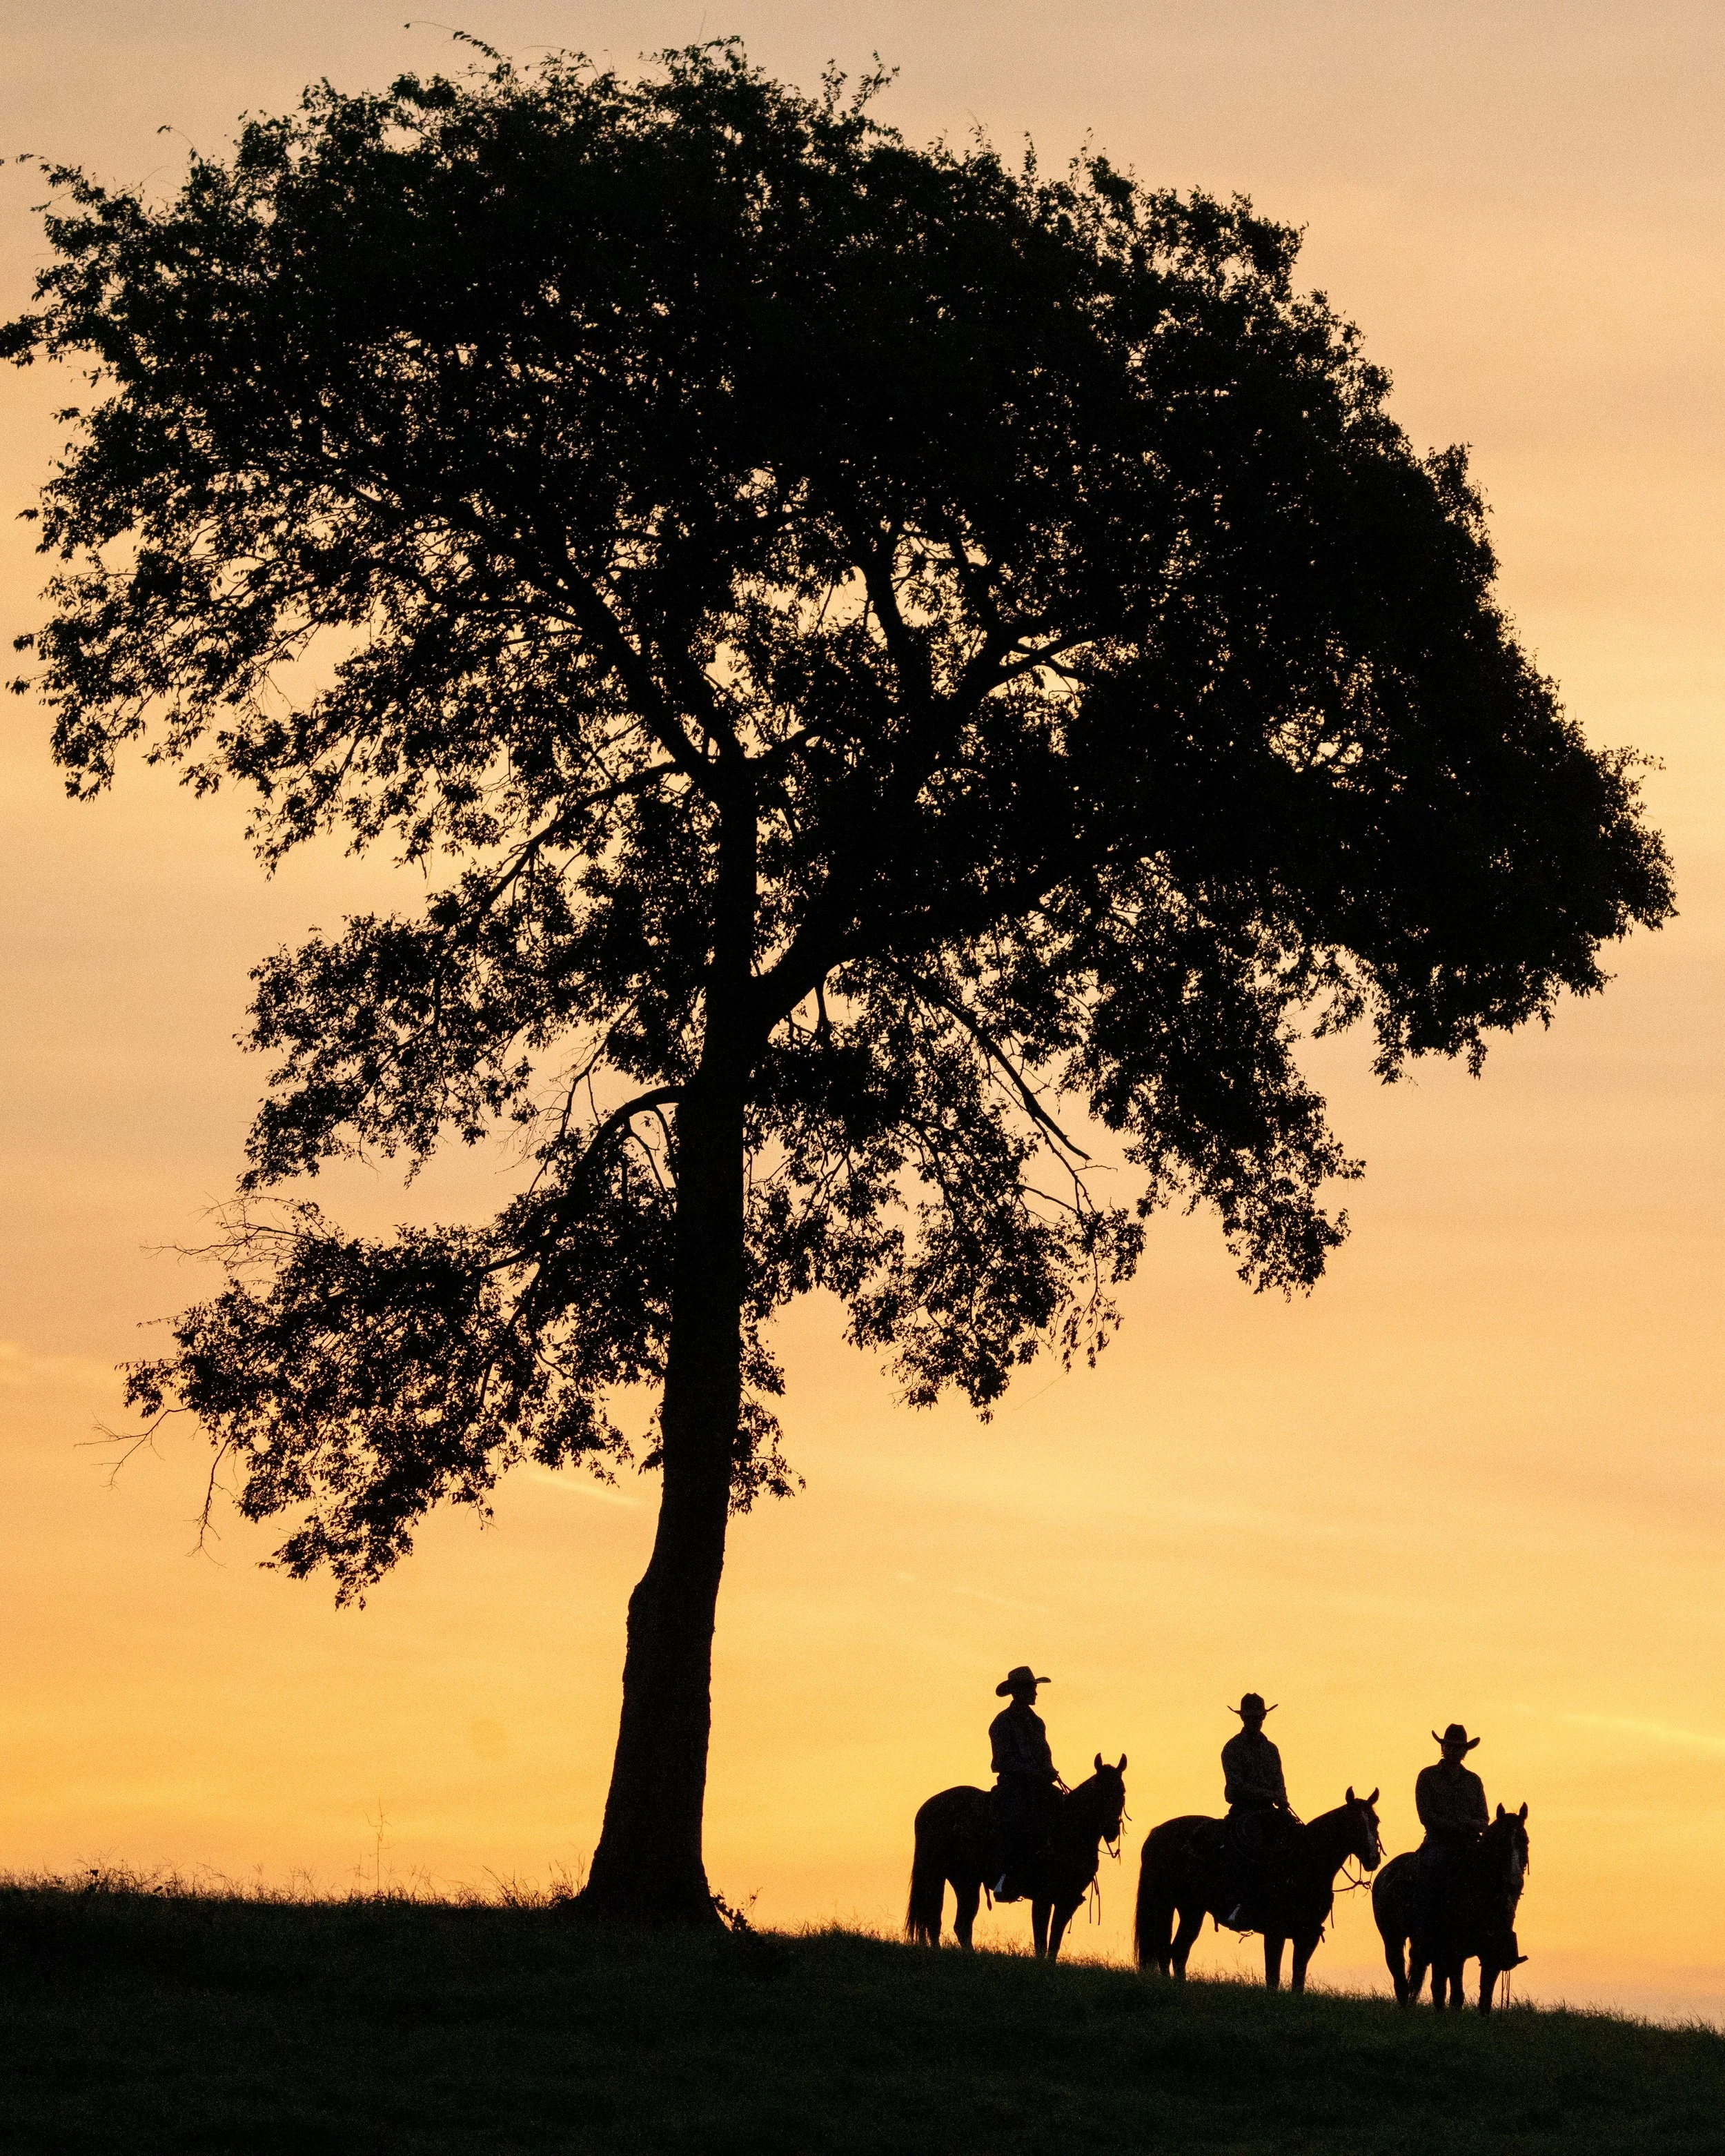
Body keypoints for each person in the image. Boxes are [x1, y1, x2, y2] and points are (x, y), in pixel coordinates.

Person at [1220, 1692, 1295, 1926]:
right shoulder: (1232, 1748)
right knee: (1244, 1849)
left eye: (1259, 1717)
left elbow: (1279, 1780)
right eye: (1252, 1717)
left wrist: (1282, 1797)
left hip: (1270, 1810)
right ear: (1243, 1718)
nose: (1256, 1721)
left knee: (1296, 1841)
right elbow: (1237, 1785)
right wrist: (1270, 1795)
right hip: (1243, 1811)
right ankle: (1238, 1903)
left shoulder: (1271, 1749)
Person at [989, 1665, 1061, 1902]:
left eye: (1035, 1688)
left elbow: (1044, 1754)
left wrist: (1048, 1770)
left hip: (1038, 1784)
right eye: (1031, 1688)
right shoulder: (1002, 1722)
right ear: (1018, 1691)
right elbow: (1002, 1761)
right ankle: (1002, 1880)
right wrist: (1031, 1772)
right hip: (1013, 1785)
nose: (1035, 1693)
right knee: (1013, 1822)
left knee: (1062, 1809)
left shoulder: (1037, 1723)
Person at [1414, 1721, 1490, 1936]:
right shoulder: (1427, 1777)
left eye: (1459, 1748)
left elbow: (1484, 1818)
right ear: (1443, 1747)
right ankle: (1424, 1931)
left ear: (1465, 1751)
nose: (1455, 1751)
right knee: (1429, 1876)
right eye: (1451, 1746)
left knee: (1495, 1878)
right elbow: (1426, 1816)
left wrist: (1472, 1825)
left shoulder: (1474, 1781)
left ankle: (1496, 1934)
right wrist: (1457, 1825)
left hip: (1470, 1844)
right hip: (1438, 1843)